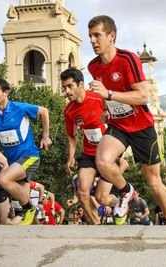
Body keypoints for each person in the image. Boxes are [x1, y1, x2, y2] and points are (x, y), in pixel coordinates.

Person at [87, 15, 166, 225]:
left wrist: (108, 95)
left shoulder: (128, 59)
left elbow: (142, 96)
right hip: (118, 126)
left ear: (111, 36)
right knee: (103, 161)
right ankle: (127, 191)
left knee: (153, 182)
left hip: (142, 126)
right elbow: (107, 96)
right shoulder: (93, 66)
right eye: (90, 36)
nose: (92, 41)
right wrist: (107, 110)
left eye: (97, 35)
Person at [0, 79, 52, 225]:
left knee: (4, 179)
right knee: (22, 196)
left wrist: (45, 136)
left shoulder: (19, 108)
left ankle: (29, 208)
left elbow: (44, 111)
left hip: (29, 156)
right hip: (13, 161)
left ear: (6, 93)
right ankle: (36, 234)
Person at [62, 67, 106, 225]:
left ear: (81, 84)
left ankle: (122, 197)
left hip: (108, 152)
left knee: (103, 197)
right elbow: (71, 136)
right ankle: (97, 225)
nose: (66, 91)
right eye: (64, 88)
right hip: (89, 153)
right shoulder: (69, 111)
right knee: (82, 192)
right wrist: (71, 157)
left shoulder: (98, 99)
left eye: (69, 86)